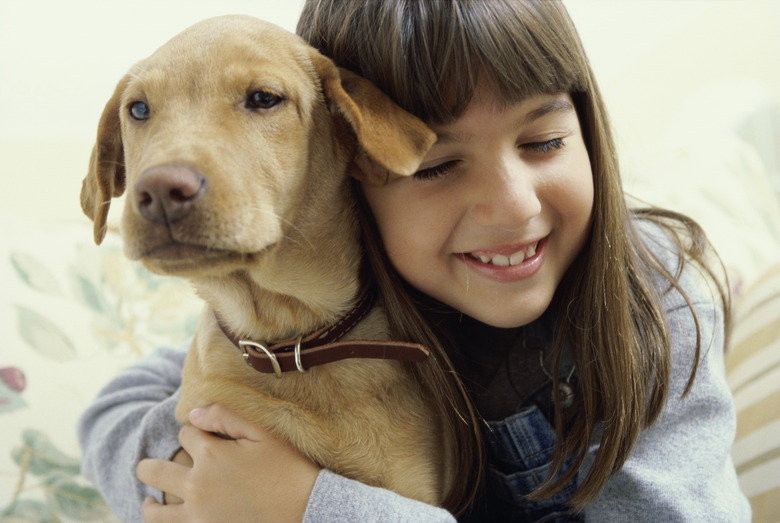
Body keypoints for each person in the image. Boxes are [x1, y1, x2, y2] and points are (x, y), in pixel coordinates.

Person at [78, 1, 752, 521]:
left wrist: (309, 506)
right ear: (353, 164)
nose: (511, 206)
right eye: (436, 166)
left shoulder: (653, 299)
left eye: (544, 140)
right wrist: (202, 473)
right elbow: (115, 409)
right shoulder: (321, 300)